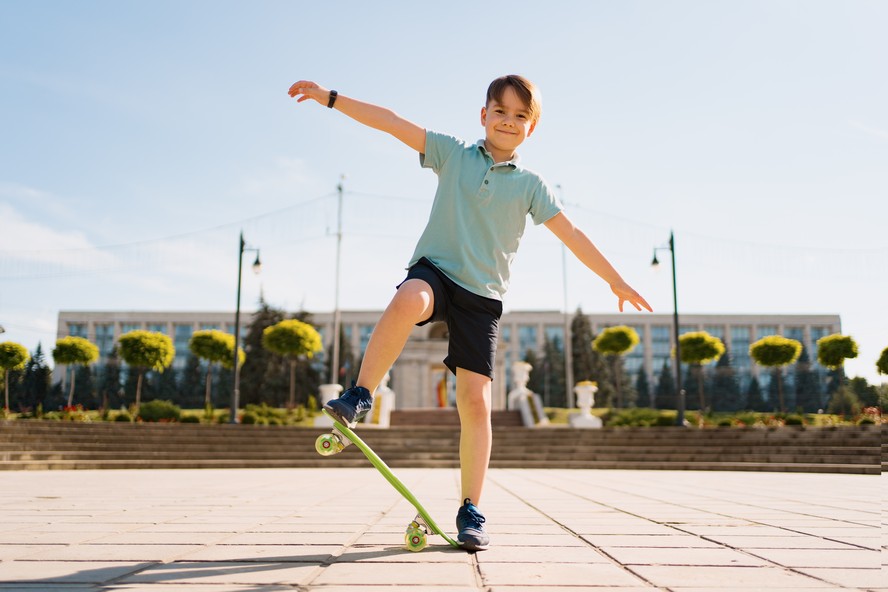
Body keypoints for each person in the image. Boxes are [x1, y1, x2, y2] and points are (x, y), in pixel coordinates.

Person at [288, 75, 652, 551]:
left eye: (521, 116)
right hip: (436, 271)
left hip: (483, 297)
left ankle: (470, 509)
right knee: (406, 300)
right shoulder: (454, 153)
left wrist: (615, 279)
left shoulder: (531, 186)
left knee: (474, 401)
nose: (508, 121)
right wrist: (331, 99)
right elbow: (393, 124)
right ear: (483, 115)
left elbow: (573, 233)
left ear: (532, 128)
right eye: (500, 111)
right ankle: (360, 394)